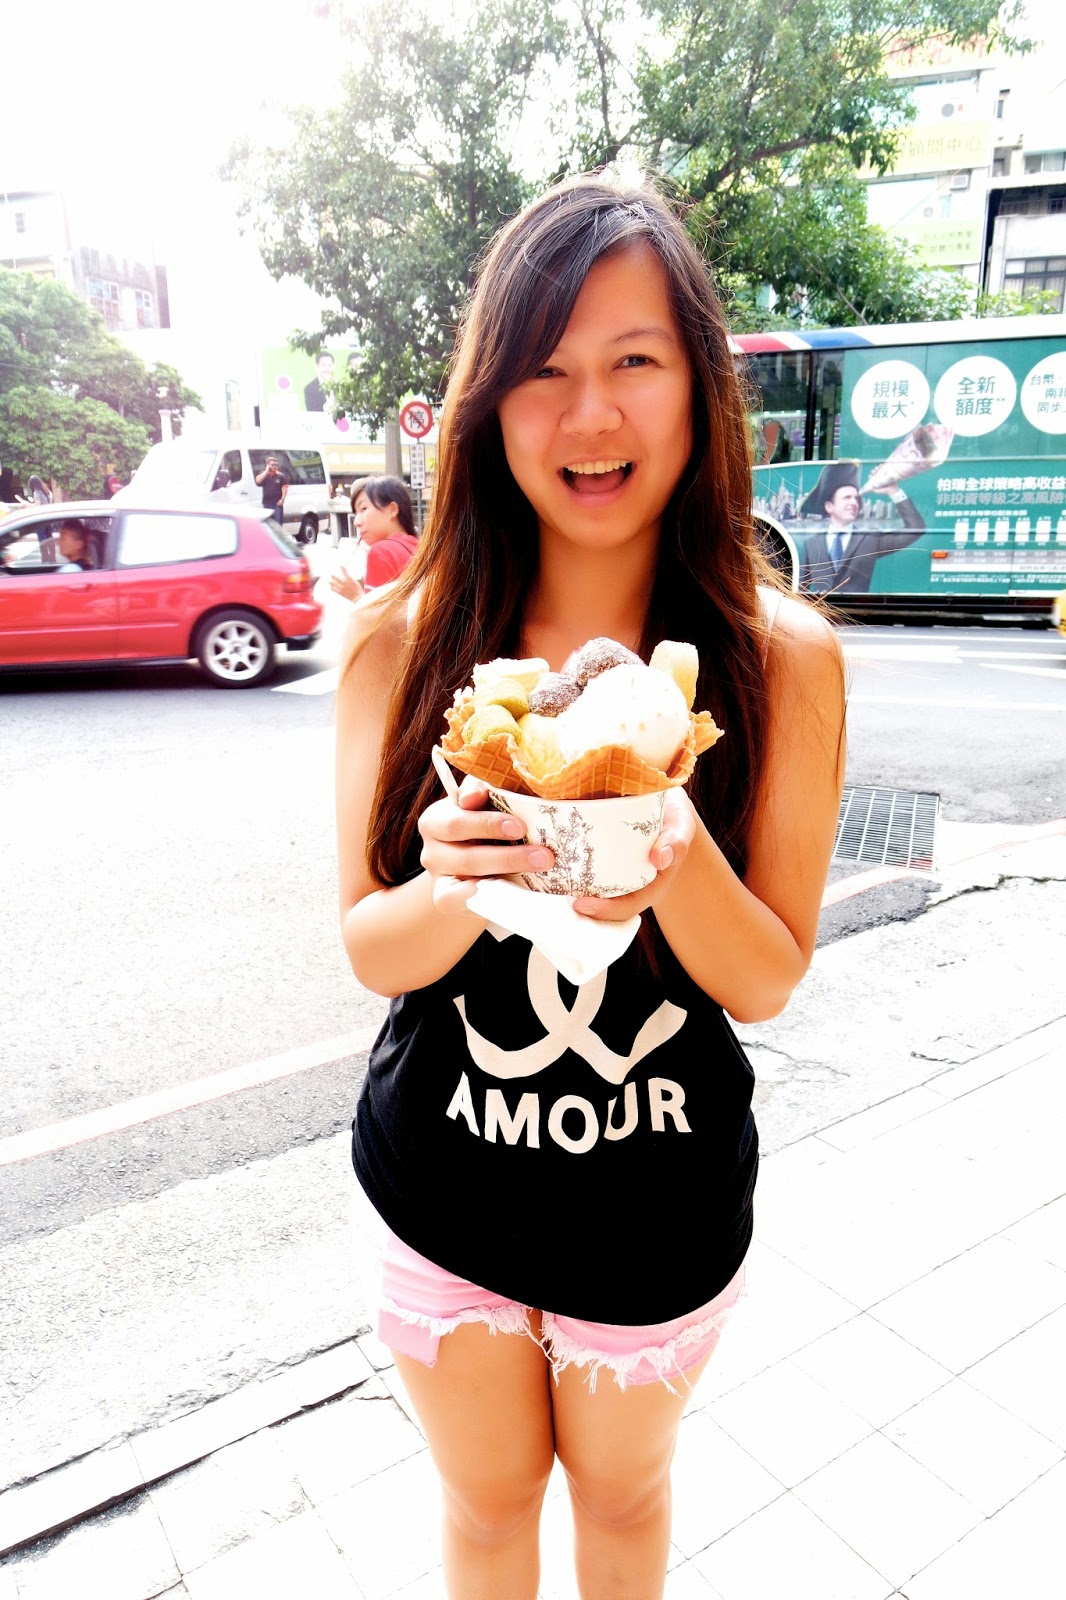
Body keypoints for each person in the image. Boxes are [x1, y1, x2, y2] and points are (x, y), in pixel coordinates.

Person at [336, 173, 845, 1600]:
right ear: (487, 405)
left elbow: (764, 976)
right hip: (442, 1172)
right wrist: (459, 880)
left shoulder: (781, 659)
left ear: (699, 389)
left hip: (660, 1198)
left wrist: (663, 844)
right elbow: (371, 947)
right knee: (488, 1505)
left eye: (634, 361)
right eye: (543, 372)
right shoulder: (400, 644)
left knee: (621, 1502)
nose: (590, 416)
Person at [798, 459, 923, 595]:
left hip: (858, 608)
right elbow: (801, 589)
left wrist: (893, 490)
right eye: (847, 497)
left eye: (856, 498)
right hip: (820, 609)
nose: (854, 503)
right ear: (829, 506)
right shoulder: (811, 545)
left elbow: (916, 528)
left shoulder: (870, 539)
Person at [329, 475, 417, 601]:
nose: (356, 522)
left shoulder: (381, 551)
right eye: (356, 513)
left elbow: (378, 612)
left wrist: (356, 596)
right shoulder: (418, 545)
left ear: (392, 510)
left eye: (363, 509)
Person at [255, 455, 288, 525]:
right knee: (268, 524)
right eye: (272, 465)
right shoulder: (264, 475)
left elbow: (285, 488)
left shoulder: (281, 476)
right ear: (268, 465)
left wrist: (282, 499)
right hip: (266, 503)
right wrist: (266, 471)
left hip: (277, 504)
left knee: (277, 523)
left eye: (276, 465)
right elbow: (258, 481)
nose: (274, 466)